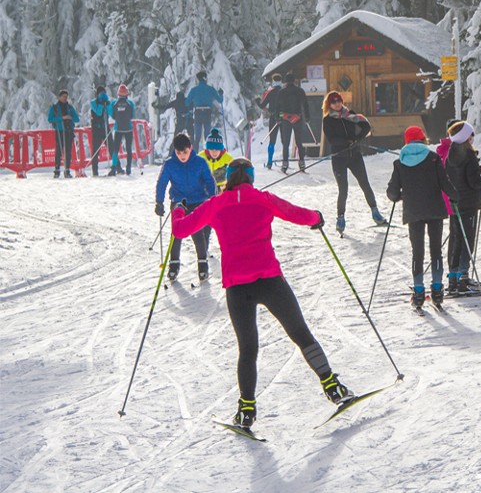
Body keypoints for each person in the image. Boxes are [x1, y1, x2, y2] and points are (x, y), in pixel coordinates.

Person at [171, 157, 353, 429]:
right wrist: (316, 217)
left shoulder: (215, 205)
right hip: (270, 280)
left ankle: (246, 411)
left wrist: (177, 210)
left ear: (228, 178)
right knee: (301, 334)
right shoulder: (263, 199)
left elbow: (180, 230)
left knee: (248, 349)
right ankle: (333, 388)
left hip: (237, 287)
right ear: (252, 177)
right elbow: (295, 213)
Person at [386, 127, 458, 309]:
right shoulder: (433, 159)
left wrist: (399, 196)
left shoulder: (399, 163)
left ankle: (418, 291)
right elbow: (445, 182)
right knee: (436, 250)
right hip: (434, 209)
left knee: (417, 251)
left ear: (407, 141)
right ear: (423, 139)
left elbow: (392, 192)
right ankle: (437, 289)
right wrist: (455, 196)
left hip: (413, 211)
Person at [321, 90, 386, 233]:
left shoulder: (350, 114)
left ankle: (375, 212)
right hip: (339, 157)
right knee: (343, 189)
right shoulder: (328, 120)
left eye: (339, 101)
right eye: (334, 102)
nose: (337, 104)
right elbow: (332, 139)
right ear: (329, 104)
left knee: (365, 184)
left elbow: (366, 126)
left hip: (355, 155)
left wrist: (358, 139)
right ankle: (340, 218)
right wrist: (347, 142)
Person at [156, 132, 216, 282]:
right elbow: (162, 183)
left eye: (185, 152)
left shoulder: (200, 162)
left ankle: (202, 264)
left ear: (191, 148)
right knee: (177, 232)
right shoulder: (170, 164)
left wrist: (212, 197)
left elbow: (209, 181)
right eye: (178, 152)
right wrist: (159, 202)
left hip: (198, 200)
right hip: (179, 201)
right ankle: (174, 264)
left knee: (197, 233)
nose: (182, 156)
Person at [444, 121, 481, 295]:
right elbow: (474, 181)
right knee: (467, 240)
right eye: (471, 134)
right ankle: (463, 277)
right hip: (469, 203)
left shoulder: (452, 154)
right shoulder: (469, 156)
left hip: (456, 203)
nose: (473, 137)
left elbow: (463, 174)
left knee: (458, 239)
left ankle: (453, 276)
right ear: (466, 137)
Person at [276, 73, 307, 173]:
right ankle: (301, 162)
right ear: (294, 81)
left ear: (285, 81)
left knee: (286, 142)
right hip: (297, 117)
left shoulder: (281, 92)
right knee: (299, 141)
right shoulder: (300, 91)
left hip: (286, 118)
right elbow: (305, 104)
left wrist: (278, 117)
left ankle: (285, 163)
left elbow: (278, 106)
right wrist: (308, 117)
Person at [186, 71, 224, 151]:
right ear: (205, 78)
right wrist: (221, 93)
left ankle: (195, 153)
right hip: (207, 113)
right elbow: (220, 100)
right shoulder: (210, 89)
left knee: (197, 136)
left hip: (198, 113)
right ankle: (209, 152)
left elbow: (187, 102)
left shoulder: (194, 90)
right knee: (207, 135)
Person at [48, 90, 79, 179]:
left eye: (66, 97)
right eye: (63, 96)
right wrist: (61, 118)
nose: (65, 98)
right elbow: (50, 119)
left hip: (68, 131)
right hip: (60, 130)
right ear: (59, 97)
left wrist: (70, 118)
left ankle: (67, 170)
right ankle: (57, 170)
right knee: (59, 150)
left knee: (68, 151)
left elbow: (77, 118)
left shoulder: (69, 107)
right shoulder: (54, 108)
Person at [108, 84, 136, 176]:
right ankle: (128, 168)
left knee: (115, 149)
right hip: (128, 128)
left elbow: (112, 114)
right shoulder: (130, 103)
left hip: (118, 128)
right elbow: (132, 115)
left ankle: (113, 167)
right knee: (128, 149)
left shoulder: (114, 103)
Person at [257, 74, 283, 169]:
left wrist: (257, 100)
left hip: (273, 117)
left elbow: (262, 105)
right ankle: (285, 162)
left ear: (273, 82)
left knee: (272, 140)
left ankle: (269, 162)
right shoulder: (284, 92)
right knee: (285, 140)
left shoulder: (271, 92)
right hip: (283, 118)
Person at [89, 86, 111, 176]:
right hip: (97, 129)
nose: (102, 95)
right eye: (101, 94)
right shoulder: (93, 103)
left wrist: (107, 104)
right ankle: (95, 171)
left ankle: (117, 167)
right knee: (96, 150)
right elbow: (98, 112)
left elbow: (110, 112)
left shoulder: (106, 103)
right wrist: (101, 104)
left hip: (105, 127)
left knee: (112, 147)